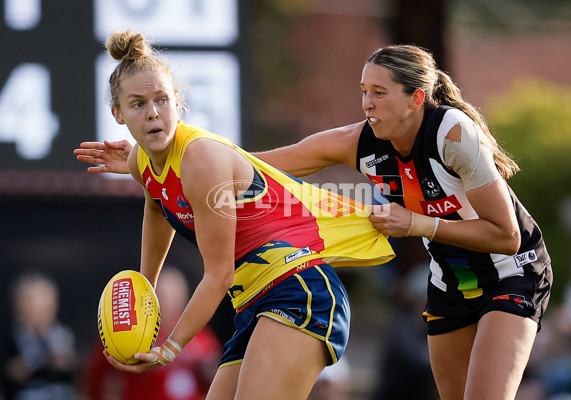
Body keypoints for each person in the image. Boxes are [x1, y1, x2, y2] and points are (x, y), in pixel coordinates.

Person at [77, 43, 553, 400]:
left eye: (379, 93)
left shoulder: (452, 133)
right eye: (363, 92)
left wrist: (416, 225)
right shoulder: (355, 140)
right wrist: (159, 172)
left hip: (510, 269)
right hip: (445, 279)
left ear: (417, 98)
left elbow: (506, 236)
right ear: (118, 113)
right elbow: (251, 167)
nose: (366, 104)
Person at [79, 30, 394, 400]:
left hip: (299, 289)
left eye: (162, 99)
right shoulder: (140, 160)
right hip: (253, 303)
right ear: (117, 114)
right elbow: (157, 203)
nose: (152, 112)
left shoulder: (199, 160)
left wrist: (170, 347)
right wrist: (145, 285)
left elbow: (219, 274)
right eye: (137, 104)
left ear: (177, 103)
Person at [82, 266, 222, 400]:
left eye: (173, 296)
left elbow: (216, 378)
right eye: (163, 296)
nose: (167, 302)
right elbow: (97, 373)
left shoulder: (199, 335)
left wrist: (204, 369)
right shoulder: (132, 331)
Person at [0, 272, 78, 400]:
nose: (41, 316)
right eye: (34, 309)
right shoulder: (11, 338)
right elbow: (10, 373)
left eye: (46, 309)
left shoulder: (61, 335)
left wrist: (62, 360)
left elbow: (71, 368)